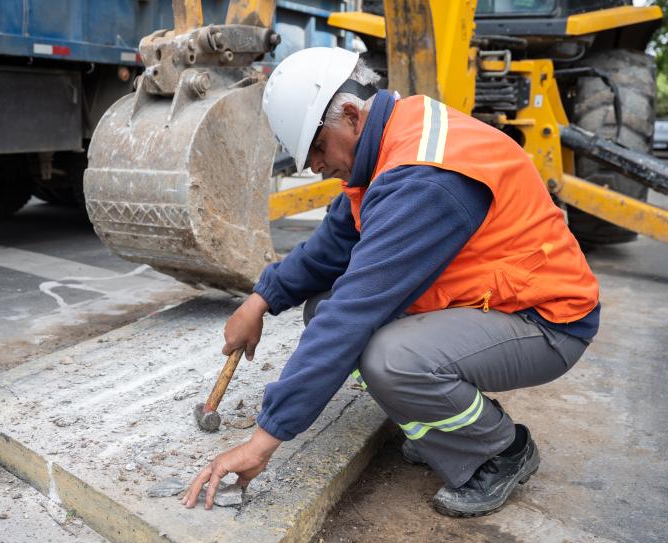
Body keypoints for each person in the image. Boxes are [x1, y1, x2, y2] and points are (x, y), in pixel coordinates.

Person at [181, 47, 600, 517]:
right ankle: (443, 428)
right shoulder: (390, 139)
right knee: (322, 308)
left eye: (317, 148)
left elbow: (353, 314)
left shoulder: (421, 179)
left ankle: (502, 449)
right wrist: (260, 300)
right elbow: (331, 246)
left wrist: (264, 439)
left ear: (350, 115)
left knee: (389, 358)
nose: (315, 166)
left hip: (546, 320)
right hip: (491, 297)